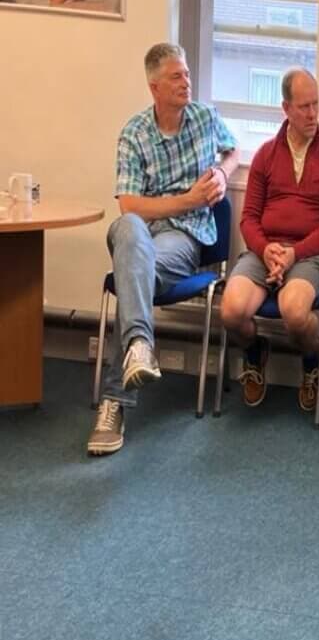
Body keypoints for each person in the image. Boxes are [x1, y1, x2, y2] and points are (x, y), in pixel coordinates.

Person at [87, 43, 238, 455]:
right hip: (140, 233)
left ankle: (115, 400)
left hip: (183, 238)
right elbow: (130, 205)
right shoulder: (134, 132)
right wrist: (189, 197)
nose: (186, 81)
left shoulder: (205, 117)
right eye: (176, 76)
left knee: (131, 275)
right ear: (154, 86)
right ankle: (138, 347)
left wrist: (223, 175)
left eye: (187, 74)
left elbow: (233, 150)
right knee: (129, 229)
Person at [220, 69, 319, 413]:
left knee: (294, 311)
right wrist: (265, 249)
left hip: (310, 256)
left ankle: (310, 364)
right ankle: (254, 352)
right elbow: (248, 219)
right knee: (231, 311)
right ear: (286, 108)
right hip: (264, 251)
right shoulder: (265, 154)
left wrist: (294, 254)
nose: (312, 114)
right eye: (304, 106)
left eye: (315, 104)